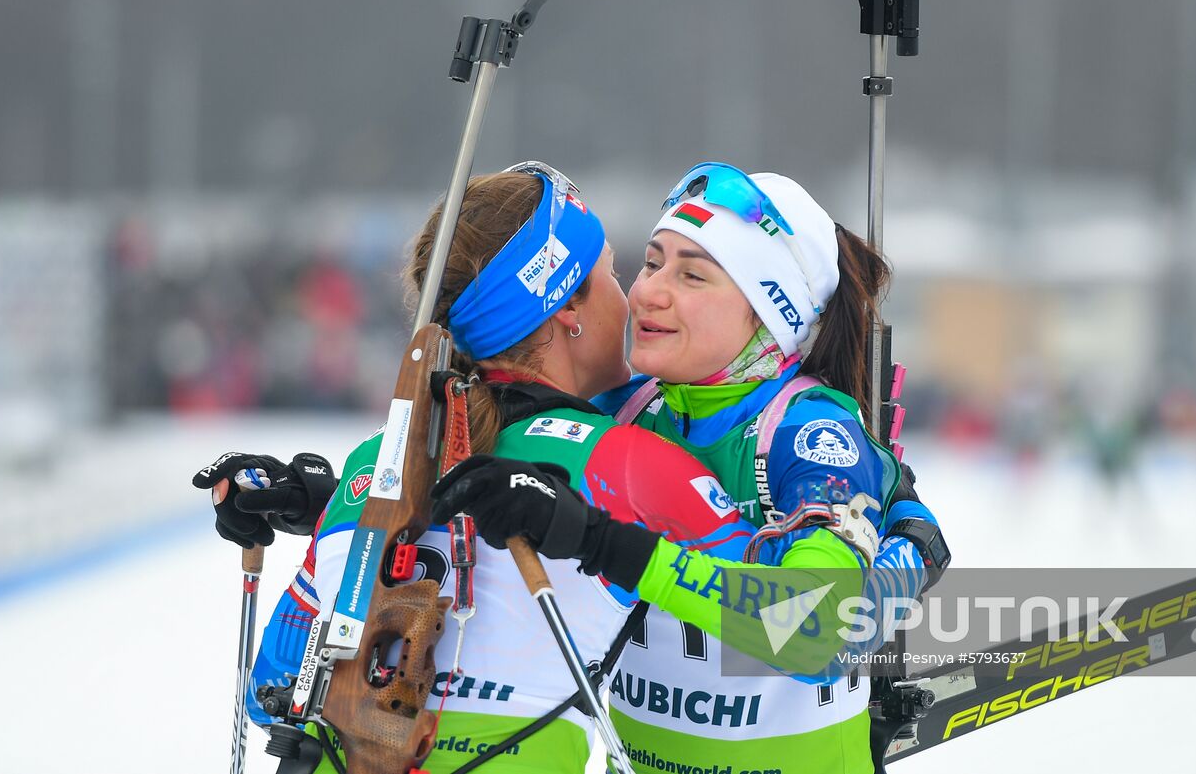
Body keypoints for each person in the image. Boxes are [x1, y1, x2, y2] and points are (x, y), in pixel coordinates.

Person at [195, 163, 762, 774]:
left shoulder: (379, 462)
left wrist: (332, 511)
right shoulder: (625, 463)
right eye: (614, 276)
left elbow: (273, 685)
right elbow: (809, 628)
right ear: (569, 303)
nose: (632, 301)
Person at [433, 162, 948, 773]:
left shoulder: (806, 434)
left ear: (766, 315)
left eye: (693, 275)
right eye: (651, 263)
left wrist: (611, 545)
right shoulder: (624, 412)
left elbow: (819, 628)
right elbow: (496, 512)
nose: (649, 291)